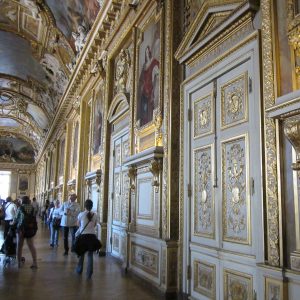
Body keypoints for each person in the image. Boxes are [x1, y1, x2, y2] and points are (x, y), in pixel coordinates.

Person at [75, 199, 100, 279]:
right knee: (90, 255)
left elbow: (78, 224)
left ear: (85, 206)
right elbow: (95, 225)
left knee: (81, 254)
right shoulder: (95, 215)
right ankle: (89, 274)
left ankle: (79, 270)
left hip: (83, 236)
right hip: (92, 237)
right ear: (91, 206)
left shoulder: (81, 214)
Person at [13, 196, 38, 269]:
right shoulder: (33, 208)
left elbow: (16, 218)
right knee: (31, 246)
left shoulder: (20, 208)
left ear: (22, 201)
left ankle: (19, 263)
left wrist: (13, 223)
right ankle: (35, 263)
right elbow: (34, 218)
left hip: (21, 229)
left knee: (19, 246)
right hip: (30, 229)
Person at [138, 45, 159, 126]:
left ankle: (151, 122)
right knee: (143, 108)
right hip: (144, 89)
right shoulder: (144, 65)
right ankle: (145, 123)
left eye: (148, 52)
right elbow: (141, 78)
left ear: (150, 52)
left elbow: (158, 68)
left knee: (150, 106)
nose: (147, 53)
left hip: (150, 87)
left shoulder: (153, 61)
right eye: (146, 52)